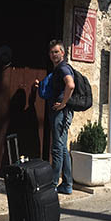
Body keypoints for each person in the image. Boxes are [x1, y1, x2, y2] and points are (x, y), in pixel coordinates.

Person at [35, 39, 75, 194]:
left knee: (57, 149)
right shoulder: (59, 69)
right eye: (51, 52)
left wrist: (63, 103)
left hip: (60, 112)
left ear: (63, 53)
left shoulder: (63, 68)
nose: (53, 55)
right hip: (61, 111)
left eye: (56, 52)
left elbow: (70, 85)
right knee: (63, 149)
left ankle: (52, 184)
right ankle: (67, 184)